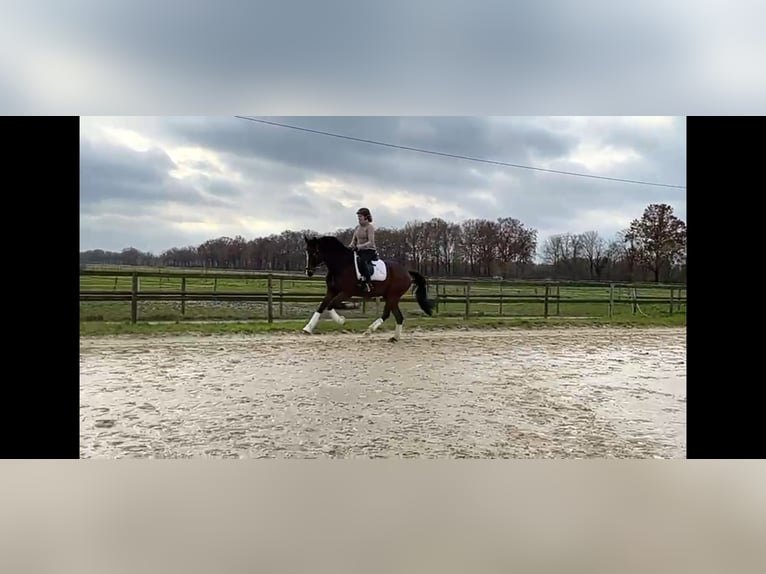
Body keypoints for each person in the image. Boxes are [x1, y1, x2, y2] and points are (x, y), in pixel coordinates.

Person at [348, 207, 378, 292]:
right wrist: (350, 247)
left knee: (362, 261)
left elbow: (371, 242)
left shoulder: (370, 227)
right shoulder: (357, 227)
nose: (359, 218)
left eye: (360, 216)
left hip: (369, 251)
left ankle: (368, 283)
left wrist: (359, 246)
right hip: (359, 250)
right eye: (358, 217)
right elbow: (353, 241)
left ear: (366, 217)